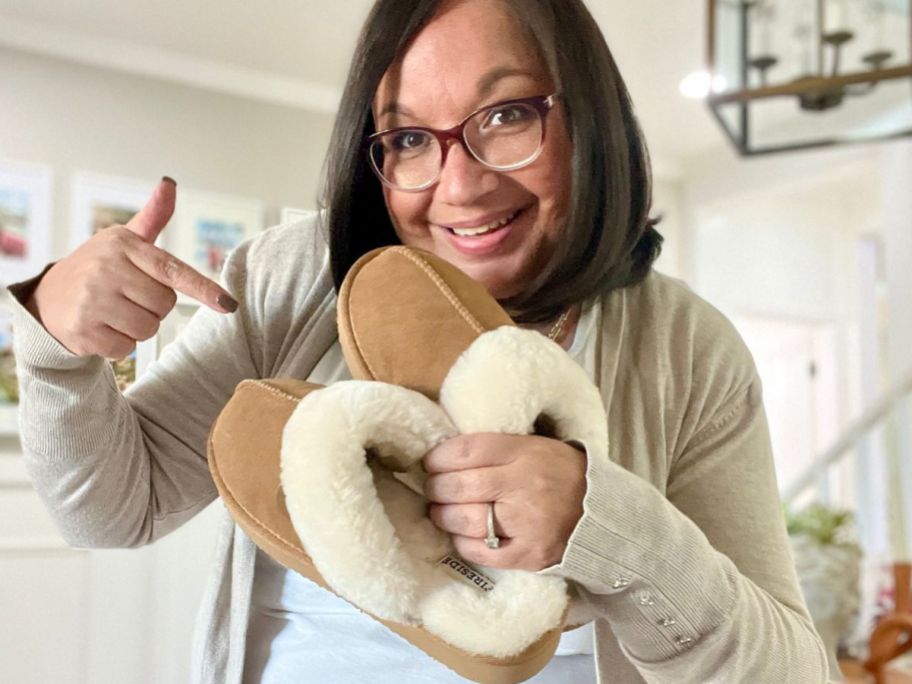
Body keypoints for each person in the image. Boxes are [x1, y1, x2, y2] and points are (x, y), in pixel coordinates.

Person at [9, 0, 830, 682]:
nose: (460, 185)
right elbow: (113, 509)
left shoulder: (686, 348)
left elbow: (791, 670)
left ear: (590, 119)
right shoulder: (296, 279)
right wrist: (55, 340)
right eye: (407, 139)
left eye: (507, 115)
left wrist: (605, 523)